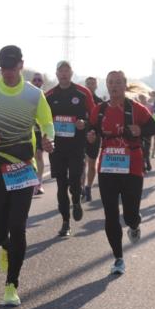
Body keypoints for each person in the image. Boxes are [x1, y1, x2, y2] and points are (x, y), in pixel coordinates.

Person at [0, 46, 54, 306]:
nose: (8, 72)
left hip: (23, 169)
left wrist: (50, 138)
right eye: (4, 68)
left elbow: (47, 123)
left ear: (21, 66)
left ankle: (11, 285)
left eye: (12, 67)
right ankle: (4, 245)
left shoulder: (33, 94)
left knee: (18, 225)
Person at [86, 70, 155, 275]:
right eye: (110, 82)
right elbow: (91, 132)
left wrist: (140, 131)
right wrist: (90, 136)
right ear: (106, 86)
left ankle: (134, 225)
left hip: (132, 167)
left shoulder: (137, 109)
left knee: (129, 215)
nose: (114, 86)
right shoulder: (98, 110)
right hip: (107, 167)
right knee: (110, 214)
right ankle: (118, 258)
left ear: (124, 85)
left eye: (118, 82)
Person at [44, 61, 96, 237]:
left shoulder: (82, 93)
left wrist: (86, 124)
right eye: (61, 71)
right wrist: (44, 139)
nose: (64, 74)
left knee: (74, 180)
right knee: (60, 185)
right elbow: (42, 120)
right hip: (57, 148)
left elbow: (94, 117)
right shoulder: (49, 95)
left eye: (67, 71)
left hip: (76, 146)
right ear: (57, 74)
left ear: (71, 73)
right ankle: (65, 222)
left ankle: (76, 199)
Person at [81, 75, 104, 202]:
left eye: (92, 83)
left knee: (91, 163)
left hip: (94, 136)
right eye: (88, 83)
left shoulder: (100, 102)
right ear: (85, 85)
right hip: (80, 136)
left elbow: (102, 120)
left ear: (96, 86)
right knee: (81, 163)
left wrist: (96, 133)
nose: (90, 85)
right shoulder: (80, 99)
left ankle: (88, 187)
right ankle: (81, 188)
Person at [29, 71, 47, 196]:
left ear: (42, 82)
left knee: (39, 156)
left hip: (40, 132)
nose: (36, 82)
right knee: (29, 157)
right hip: (27, 131)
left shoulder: (45, 96)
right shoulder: (26, 95)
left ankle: (38, 183)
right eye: (34, 80)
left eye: (39, 80)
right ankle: (29, 182)